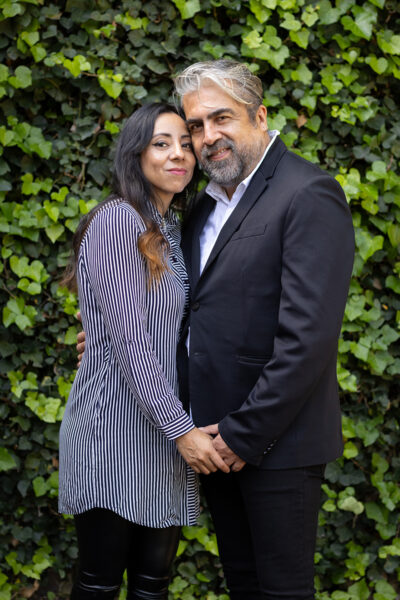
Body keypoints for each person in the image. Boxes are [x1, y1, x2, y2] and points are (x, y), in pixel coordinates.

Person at [172, 60, 355, 600]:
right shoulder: (202, 205)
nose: (208, 137)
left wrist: (242, 435)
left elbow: (308, 339)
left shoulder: (308, 192)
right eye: (196, 126)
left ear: (260, 115)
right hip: (213, 440)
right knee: (244, 587)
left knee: (282, 592)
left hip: (278, 444)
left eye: (221, 118)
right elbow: (190, 309)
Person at [59, 102, 229, 600]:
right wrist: (183, 432)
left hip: (163, 428)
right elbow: (132, 343)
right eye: (161, 144)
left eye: (185, 144)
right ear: (135, 155)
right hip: (115, 428)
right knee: (100, 582)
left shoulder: (174, 229)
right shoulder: (118, 221)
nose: (179, 154)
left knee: (153, 585)